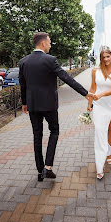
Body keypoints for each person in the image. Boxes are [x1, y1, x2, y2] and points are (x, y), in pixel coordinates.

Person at [19, 32, 93, 181]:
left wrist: (24, 103)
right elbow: (66, 78)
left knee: (37, 136)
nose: (51, 45)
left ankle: (40, 171)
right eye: (50, 42)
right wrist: (85, 93)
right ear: (43, 43)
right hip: (49, 105)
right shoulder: (50, 60)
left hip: (33, 105)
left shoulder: (23, 62)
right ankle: (48, 167)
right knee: (55, 131)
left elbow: (23, 84)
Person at [87, 49, 111, 180]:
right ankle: (99, 165)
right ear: (100, 59)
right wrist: (89, 103)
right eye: (103, 57)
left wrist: (101, 94)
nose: (106, 59)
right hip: (98, 105)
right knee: (100, 131)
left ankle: (109, 153)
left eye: (108, 56)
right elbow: (92, 88)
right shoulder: (95, 71)